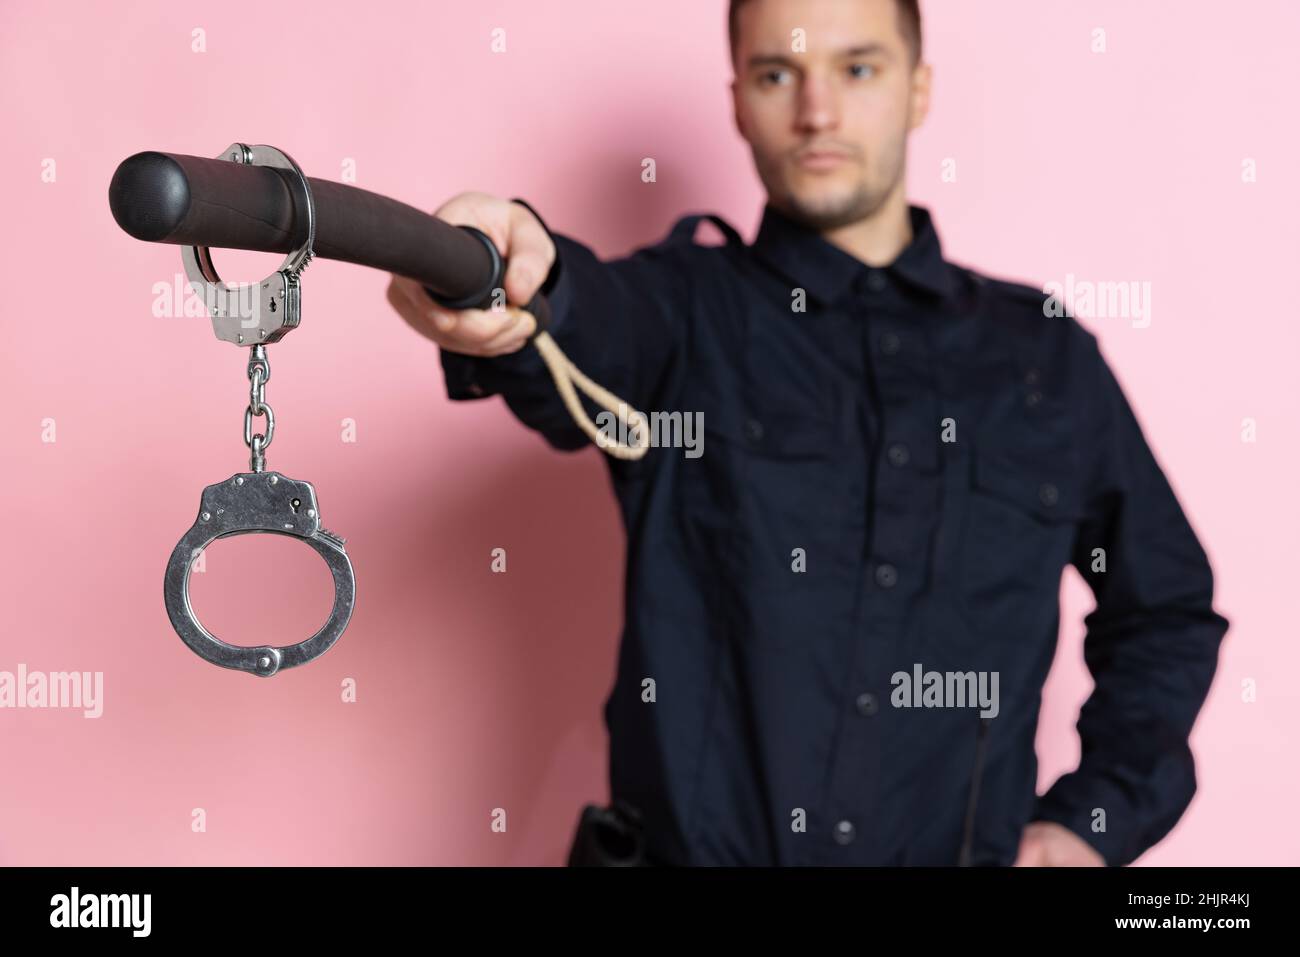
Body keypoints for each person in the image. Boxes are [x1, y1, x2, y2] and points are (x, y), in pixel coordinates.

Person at [385, 0, 1228, 866]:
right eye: (777, 74)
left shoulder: (1045, 359)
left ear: (917, 89)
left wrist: (1092, 822)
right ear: (739, 102)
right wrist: (509, 273)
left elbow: (1165, 610)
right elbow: (583, 318)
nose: (816, 112)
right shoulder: (683, 313)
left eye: (857, 68)